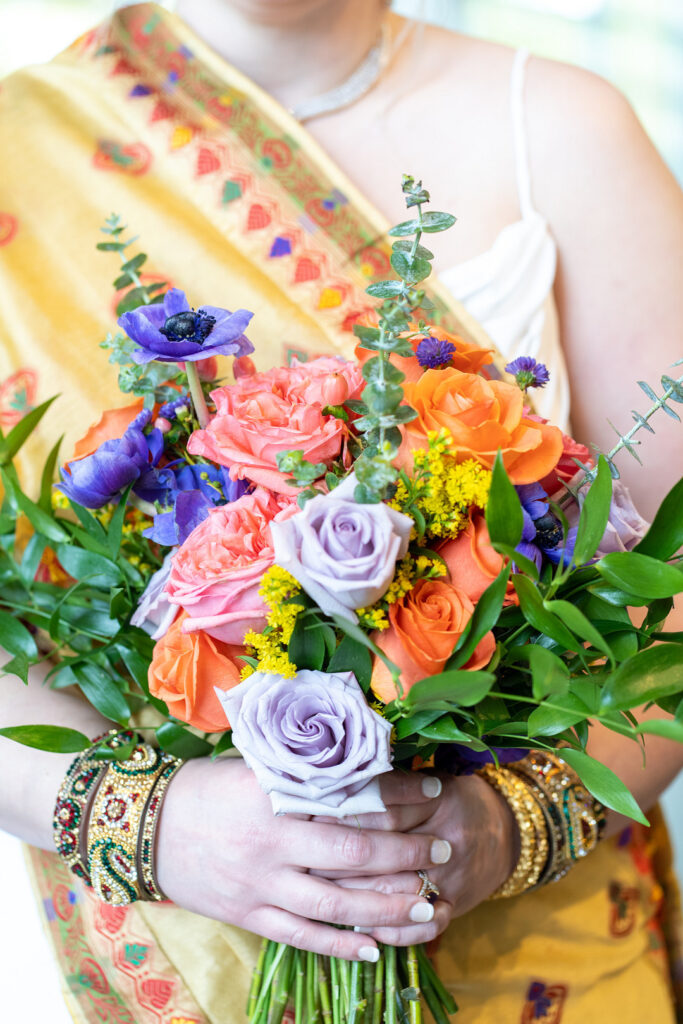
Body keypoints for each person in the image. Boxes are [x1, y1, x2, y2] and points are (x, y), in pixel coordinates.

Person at [1, 1, 682, 1021]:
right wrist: (156, 822)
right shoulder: (23, 154)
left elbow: (670, 590)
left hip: (549, 949)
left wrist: (507, 823)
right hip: (182, 961)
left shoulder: (562, 128)